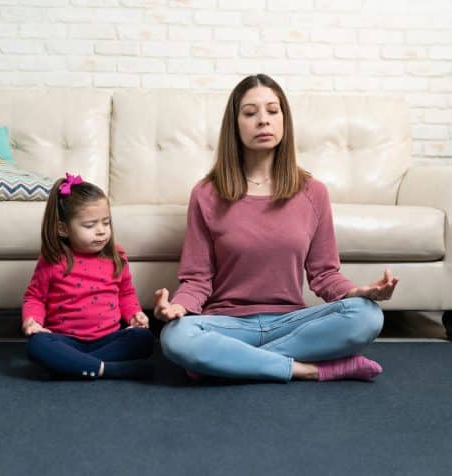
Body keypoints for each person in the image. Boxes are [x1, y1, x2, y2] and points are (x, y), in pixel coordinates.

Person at [154, 74, 398, 383]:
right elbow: (197, 279)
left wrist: (357, 292)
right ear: (235, 123)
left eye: (273, 110)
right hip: (228, 324)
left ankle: (226, 363)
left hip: (291, 322)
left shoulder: (313, 192)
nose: (263, 121)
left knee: (367, 315)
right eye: (250, 112)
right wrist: (177, 307)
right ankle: (308, 370)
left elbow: (324, 274)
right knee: (176, 337)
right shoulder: (206, 193)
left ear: (285, 120)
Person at [22, 173, 154, 380]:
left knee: (143, 338)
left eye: (106, 223)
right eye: (90, 225)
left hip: (108, 339)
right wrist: (32, 321)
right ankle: (109, 369)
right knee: (37, 345)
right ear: (63, 228)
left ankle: (70, 365)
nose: (101, 231)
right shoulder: (53, 260)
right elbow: (35, 298)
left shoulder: (116, 256)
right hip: (65, 340)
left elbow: (126, 294)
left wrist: (134, 315)